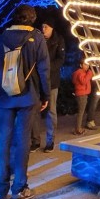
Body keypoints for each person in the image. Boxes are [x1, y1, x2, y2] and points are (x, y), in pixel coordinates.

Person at [0, 4, 49, 199]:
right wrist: (45, 95)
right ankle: (19, 189)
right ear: (32, 18)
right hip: (27, 95)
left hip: (5, 94)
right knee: (22, 140)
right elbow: (43, 69)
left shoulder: (2, 37)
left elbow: (1, 64)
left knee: (3, 139)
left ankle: (0, 191)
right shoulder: (37, 38)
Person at [31, 21, 64, 152]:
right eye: (42, 26)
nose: (43, 29)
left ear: (52, 28)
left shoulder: (58, 40)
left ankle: (50, 140)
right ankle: (35, 140)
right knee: (34, 111)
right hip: (37, 81)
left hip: (52, 81)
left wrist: (46, 69)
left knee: (51, 111)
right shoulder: (37, 39)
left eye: (46, 26)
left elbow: (61, 59)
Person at [71, 59, 93, 135]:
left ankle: (78, 128)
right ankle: (78, 129)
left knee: (81, 112)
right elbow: (83, 81)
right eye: (85, 64)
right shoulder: (80, 73)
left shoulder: (79, 72)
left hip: (81, 94)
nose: (87, 66)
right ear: (81, 65)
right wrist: (89, 74)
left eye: (88, 65)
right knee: (81, 112)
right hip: (82, 94)